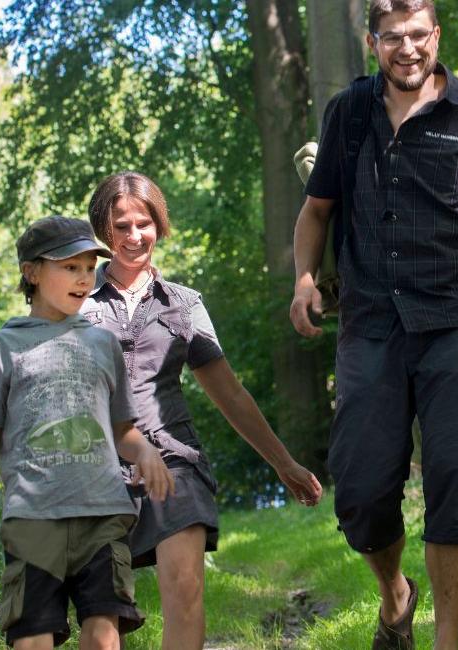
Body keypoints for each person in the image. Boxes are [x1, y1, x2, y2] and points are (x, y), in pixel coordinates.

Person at [289, 1, 458, 648]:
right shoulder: (348, 114)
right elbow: (316, 210)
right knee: (359, 489)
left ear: (435, 35)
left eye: (418, 36)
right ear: (372, 42)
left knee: (451, 482)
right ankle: (395, 595)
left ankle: (446, 642)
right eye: (393, 39)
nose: (407, 49)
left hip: (453, 324)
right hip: (370, 326)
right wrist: (304, 279)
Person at [81, 171, 323, 649]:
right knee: (102, 621)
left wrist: (285, 463)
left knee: (187, 588)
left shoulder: (184, 305)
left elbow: (230, 394)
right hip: (95, 467)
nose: (134, 236)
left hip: (174, 459)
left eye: (144, 223)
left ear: (159, 224)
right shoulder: (76, 301)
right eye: (121, 226)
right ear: (103, 231)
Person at [0, 216, 176, 650]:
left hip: (103, 512)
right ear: (31, 272)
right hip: (33, 516)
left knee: (105, 634)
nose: (84, 279)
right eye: (70, 267)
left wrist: (144, 451)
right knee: (31, 639)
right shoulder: (3, 346)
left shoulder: (103, 344)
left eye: (89, 268)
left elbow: (121, 428)